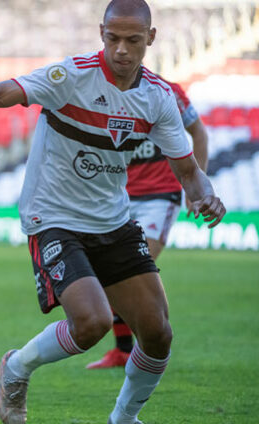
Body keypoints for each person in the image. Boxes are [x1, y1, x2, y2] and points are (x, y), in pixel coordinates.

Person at [0, 0, 225, 424]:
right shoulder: (72, 76)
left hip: (113, 220)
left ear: (150, 40)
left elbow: (189, 171)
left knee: (157, 332)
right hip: (53, 216)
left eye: (132, 40)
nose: (121, 49)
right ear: (101, 32)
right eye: (112, 38)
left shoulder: (157, 98)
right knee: (92, 322)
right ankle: (16, 368)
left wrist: (204, 197)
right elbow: (3, 91)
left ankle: (123, 423)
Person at [87, 79, 209, 369]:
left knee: (128, 271)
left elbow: (199, 134)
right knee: (111, 274)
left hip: (160, 197)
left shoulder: (169, 92)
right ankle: (124, 350)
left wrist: (196, 187)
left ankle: (144, 346)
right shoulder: (104, 94)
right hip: (121, 197)